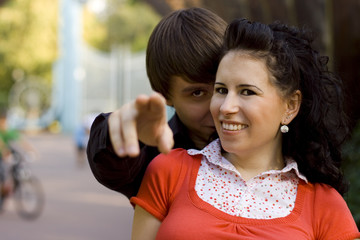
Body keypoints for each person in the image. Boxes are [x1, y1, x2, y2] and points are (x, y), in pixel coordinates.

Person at [130, 19, 360, 239]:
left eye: (247, 92)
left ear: (290, 106)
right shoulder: (169, 171)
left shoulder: (324, 205)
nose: (226, 107)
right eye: (221, 90)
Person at [87, 7, 227, 198]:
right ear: (165, 95)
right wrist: (122, 133)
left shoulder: (270, 142)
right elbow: (112, 165)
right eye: (197, 93)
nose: (218, 106)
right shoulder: (154, 156)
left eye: (223, 89)